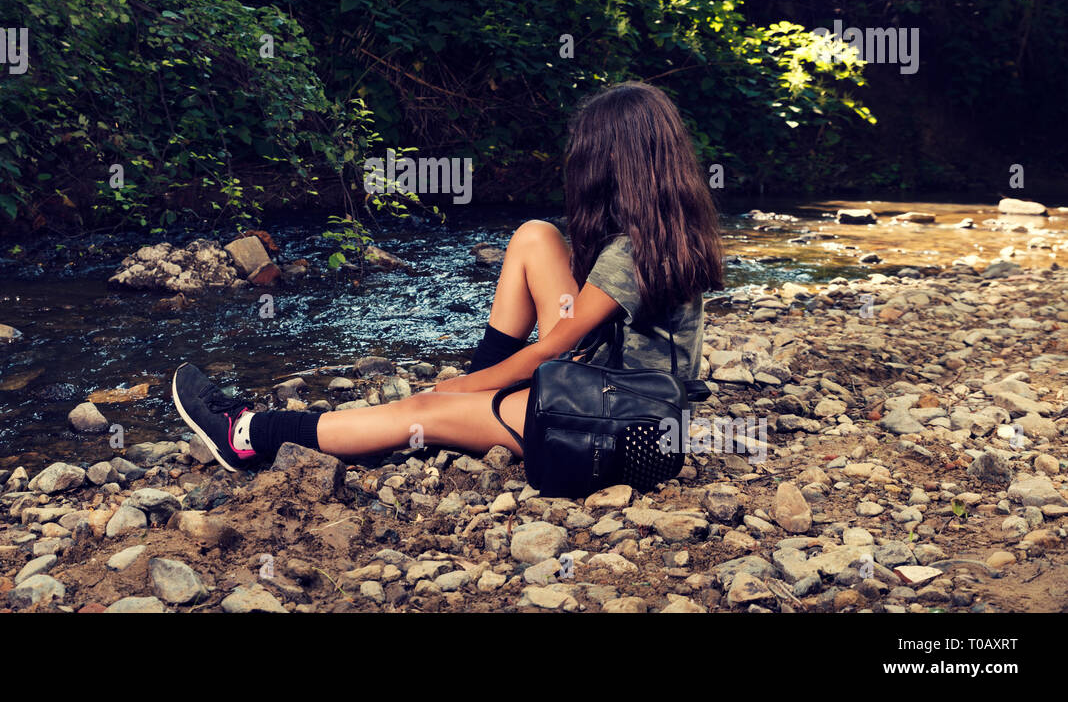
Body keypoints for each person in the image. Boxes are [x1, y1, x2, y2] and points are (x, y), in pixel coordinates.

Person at [172, 80, 724, 473]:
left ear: (610, 163)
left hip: (613, 423)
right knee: (537, 235)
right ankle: (476, 408)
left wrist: (458, 388)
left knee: (422, 410)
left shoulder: (628, 253)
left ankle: (245, 435)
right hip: (640, 407)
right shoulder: (668, 231)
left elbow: (548, 351)